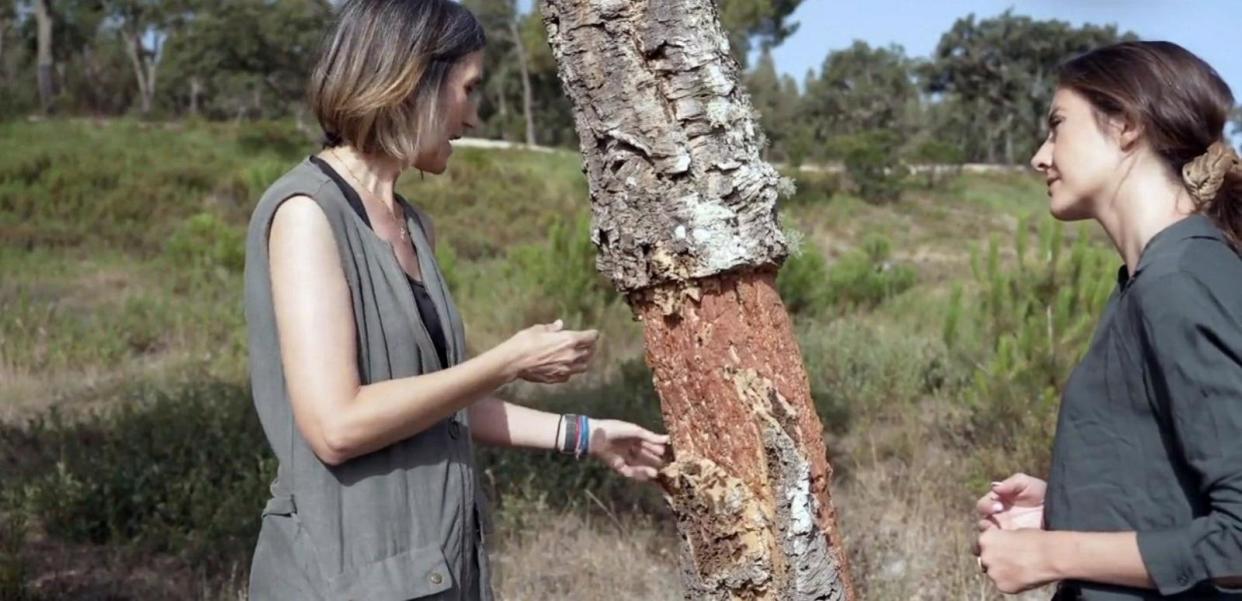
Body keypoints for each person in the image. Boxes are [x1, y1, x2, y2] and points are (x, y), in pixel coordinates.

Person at [242, 1, 669, 598]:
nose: (471, 116)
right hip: (341, 581)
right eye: (467, 89)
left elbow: (444, 400)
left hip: (435, 572)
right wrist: (508, 361)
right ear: (412, 81)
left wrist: (586, 435)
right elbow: (335, 425)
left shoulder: (414, 226)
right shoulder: (308, 215)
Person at [971, 41, 1242, 599]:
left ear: (1125, 127)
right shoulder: (1150, 280)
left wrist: (1055, 552)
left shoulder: (1180, 282)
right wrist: (1067, 508)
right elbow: (1182, 487)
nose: (1040, 157)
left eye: (1057, 126)